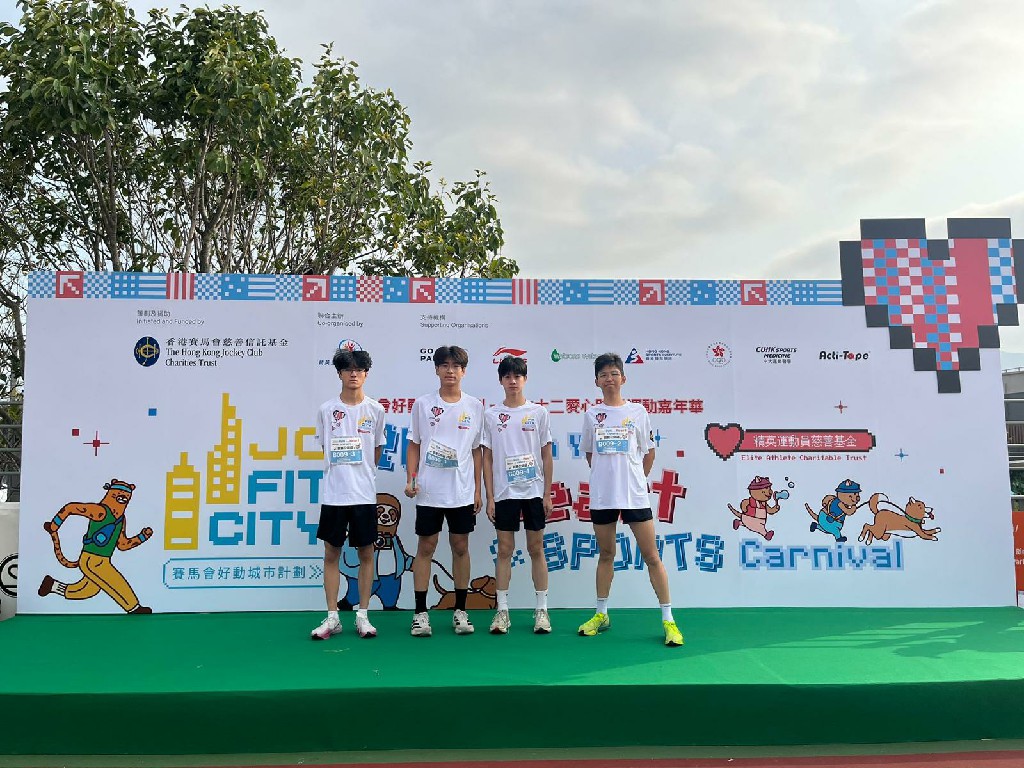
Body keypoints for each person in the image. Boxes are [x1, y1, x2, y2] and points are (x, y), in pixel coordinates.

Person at [577, 352, 683, 647]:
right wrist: (608, 478)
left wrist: (634, 478)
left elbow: (649, 452)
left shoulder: (638, 412)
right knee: (606, 554)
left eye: (614, 373)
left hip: (634, 496)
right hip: (603, 497)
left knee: (652, 557)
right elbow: (590, 455)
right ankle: (601, 614)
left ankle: (669, 620)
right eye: (603, 374)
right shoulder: (591, 415)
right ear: (596, 382)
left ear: (623, 378)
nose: (609, 379)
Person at [405, 345, 484, 637]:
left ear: (464, 371)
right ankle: (420, 613)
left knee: (460, 547)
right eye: (445, 365)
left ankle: (461, 611)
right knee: (426, 547)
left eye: (456, 366)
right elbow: (414, 444)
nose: (450, 371)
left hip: (461, 491)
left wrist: (477, 490)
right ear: (436, 369)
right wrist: (412, 478)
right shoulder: (423, 404)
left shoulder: (474, 406)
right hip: (429, 491)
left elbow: (476, 451)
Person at [311, 348, 386, 640]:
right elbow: (325, 448)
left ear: (366, 374)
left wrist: (361, 473)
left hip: (363, 494)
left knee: (366, 553)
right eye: (348, 369)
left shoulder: (375, 410)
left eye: (359, 369)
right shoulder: (326, 410)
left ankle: (363, 616)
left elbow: (376, 451)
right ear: (339, 374)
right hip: (335, 494)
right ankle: (332, 617)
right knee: (332, 553)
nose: (353, 374)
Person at [481, 356, 554, 635]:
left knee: (536, 548)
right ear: (501, 380)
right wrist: (490, 497)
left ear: (525, 379)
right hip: (504, 492)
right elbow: (487, 459)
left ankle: (542, 610)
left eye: (518, 376)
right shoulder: (491, 415)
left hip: (533, 491)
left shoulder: (538, 413)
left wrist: (547, 493)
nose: (513, 381)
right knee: (504, 549)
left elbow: (546, 455)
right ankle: (502, 611)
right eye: (508, 376)